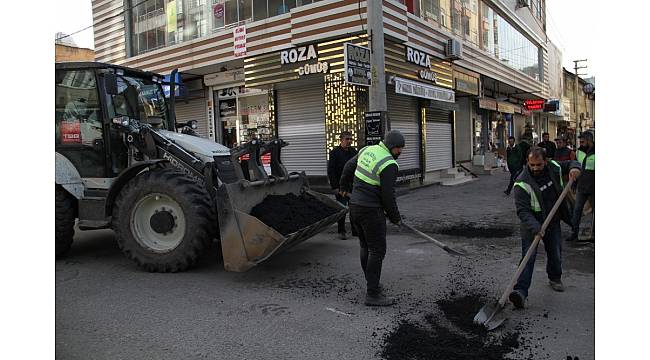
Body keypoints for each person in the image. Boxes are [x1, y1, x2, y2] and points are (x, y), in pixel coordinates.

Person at [509, 147, 581, 309]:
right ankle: (520, 292)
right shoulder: (522, 182)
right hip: (532, 223)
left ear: (545, 161)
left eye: (539, 165)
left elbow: (571, 162)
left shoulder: (554, 166)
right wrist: (536, 228)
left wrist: (575, 168)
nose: (535, 168)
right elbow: (523, 211)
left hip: (553, 219)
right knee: (528, 257)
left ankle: (555, 278)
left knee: (555, 251)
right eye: (532, 165)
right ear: (527, 162)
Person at [339, 130, 405, 307]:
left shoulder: (367, 150)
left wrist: (343, 188)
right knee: (377, 251)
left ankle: (372, 285)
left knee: (365, 246)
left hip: (354, 207)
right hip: (370, 211)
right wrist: (396, 218)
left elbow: (347, 167)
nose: (401, 152)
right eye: (399, 148)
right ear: (391, 147)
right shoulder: (389, 164)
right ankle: (373, 294)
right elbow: (388, 197)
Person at [327, 131, 359, 240]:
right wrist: (335, 187)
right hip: (341, 186)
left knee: (354, 208)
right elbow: (331, 171)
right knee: (342, 209)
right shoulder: (334, 153)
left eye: (351, 139)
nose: (349, 141)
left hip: (352, 186)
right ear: (341, 140)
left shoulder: (354, 152)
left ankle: (355, 230)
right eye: (347, 139)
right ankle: (341, 231)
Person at [569, 131, 595, 242]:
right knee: (577, 210)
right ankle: (574, 232)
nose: (580, 142)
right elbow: (576, 165)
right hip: (582, 186)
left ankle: (594, 234)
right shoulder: (579, 151)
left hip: (594, 186)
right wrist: (574, 183)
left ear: (589, 140)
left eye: (583, 141)